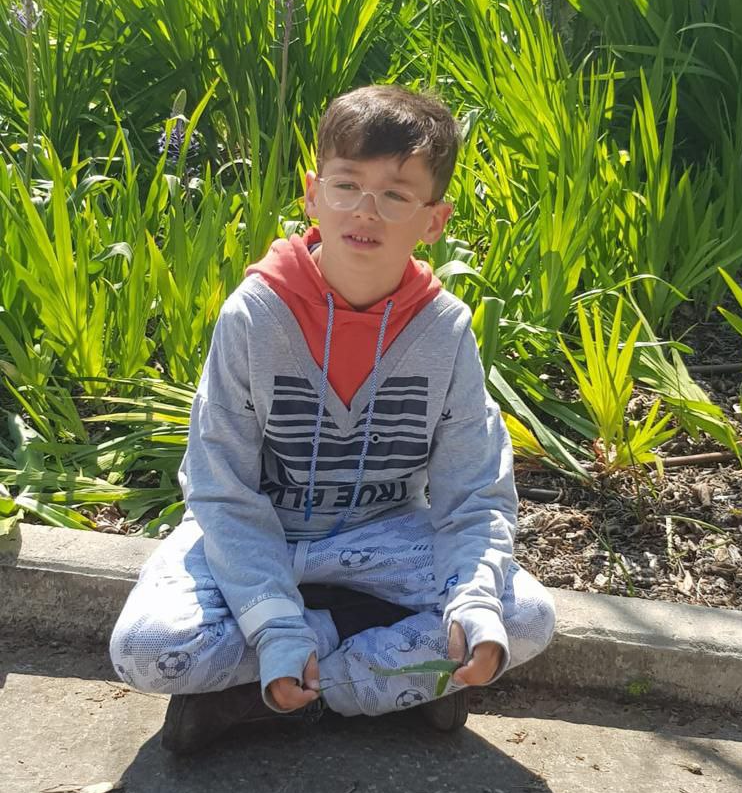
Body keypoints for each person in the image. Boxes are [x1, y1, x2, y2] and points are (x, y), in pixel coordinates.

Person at [109, 84, 556, 755]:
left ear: (434, 220)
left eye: (396, 195)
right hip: (260, 537)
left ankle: (272, 695)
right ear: (313, 195)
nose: (365, 211)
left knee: (521, 616)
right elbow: (221, 490)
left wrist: (471, 603)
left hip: (385, 541)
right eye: (347, 185)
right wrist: (273, 621)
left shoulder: (445, 331)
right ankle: (397, 674)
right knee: (148, 649)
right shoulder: (254, 317)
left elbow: (474, 494)